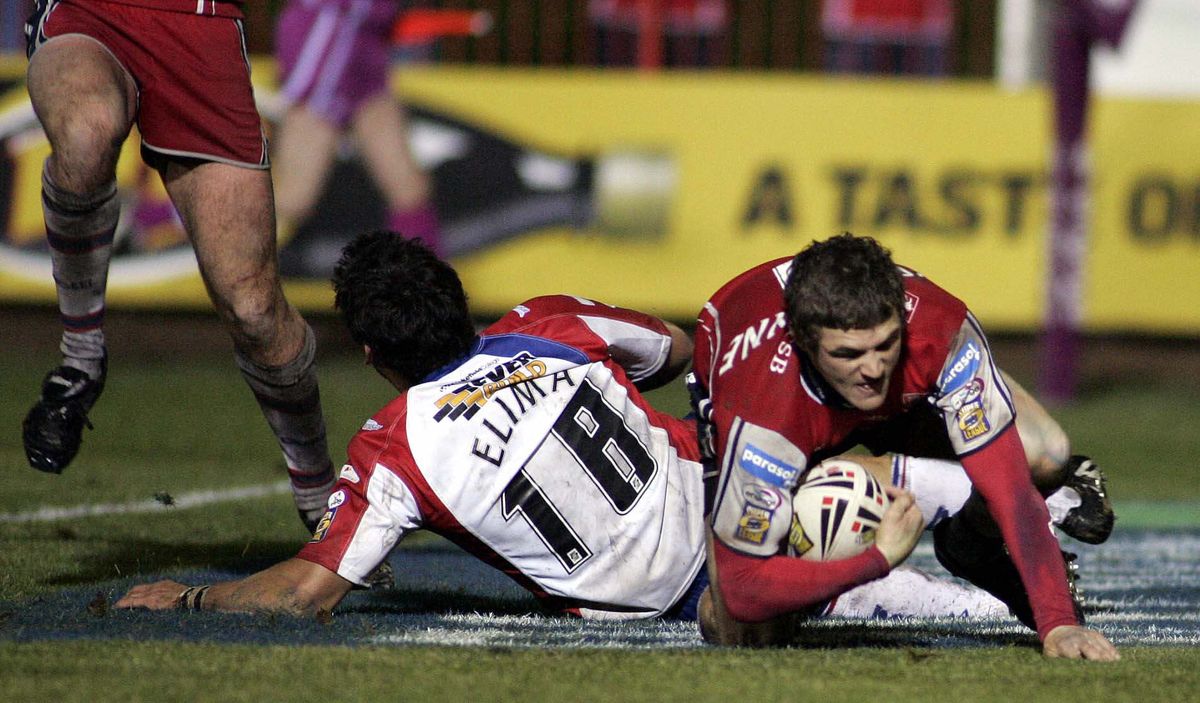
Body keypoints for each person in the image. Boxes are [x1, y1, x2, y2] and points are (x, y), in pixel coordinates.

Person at [116, 231, 1027, 625]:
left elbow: (305, 591)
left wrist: (194, 597)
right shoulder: (548, 320)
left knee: (958, 609)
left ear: (374, 354)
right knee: (939, 486)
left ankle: (987, 560)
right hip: (738, 495)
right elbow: (678, 354)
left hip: (688, 596)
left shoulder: (394, 441)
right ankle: (1033, 507)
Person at [689, 232, 1118, 659]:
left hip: (903, 408)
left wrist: (1059, 622)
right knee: (739, 630)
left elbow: (1011, 489)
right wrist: (874, 561)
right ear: (803, 342)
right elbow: (743, 588)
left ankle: (969, 545)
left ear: (902, 321)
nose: (873, 369)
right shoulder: (763, 408)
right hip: (792, 421)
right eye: (848, 353)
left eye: (886, 343)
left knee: (1043, 454)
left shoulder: (941, 329)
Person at [20, 0, 337, 530]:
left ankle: (318, 489)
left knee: (255, 312)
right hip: (91, 11)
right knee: (86, 135)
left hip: (199, 28)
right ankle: (80, 361)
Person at [272, 0, 441, 253]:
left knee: (409, 189)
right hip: (330, 32)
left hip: (366, 38)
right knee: (293, 198)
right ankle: (198, 218)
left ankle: (423, 287)